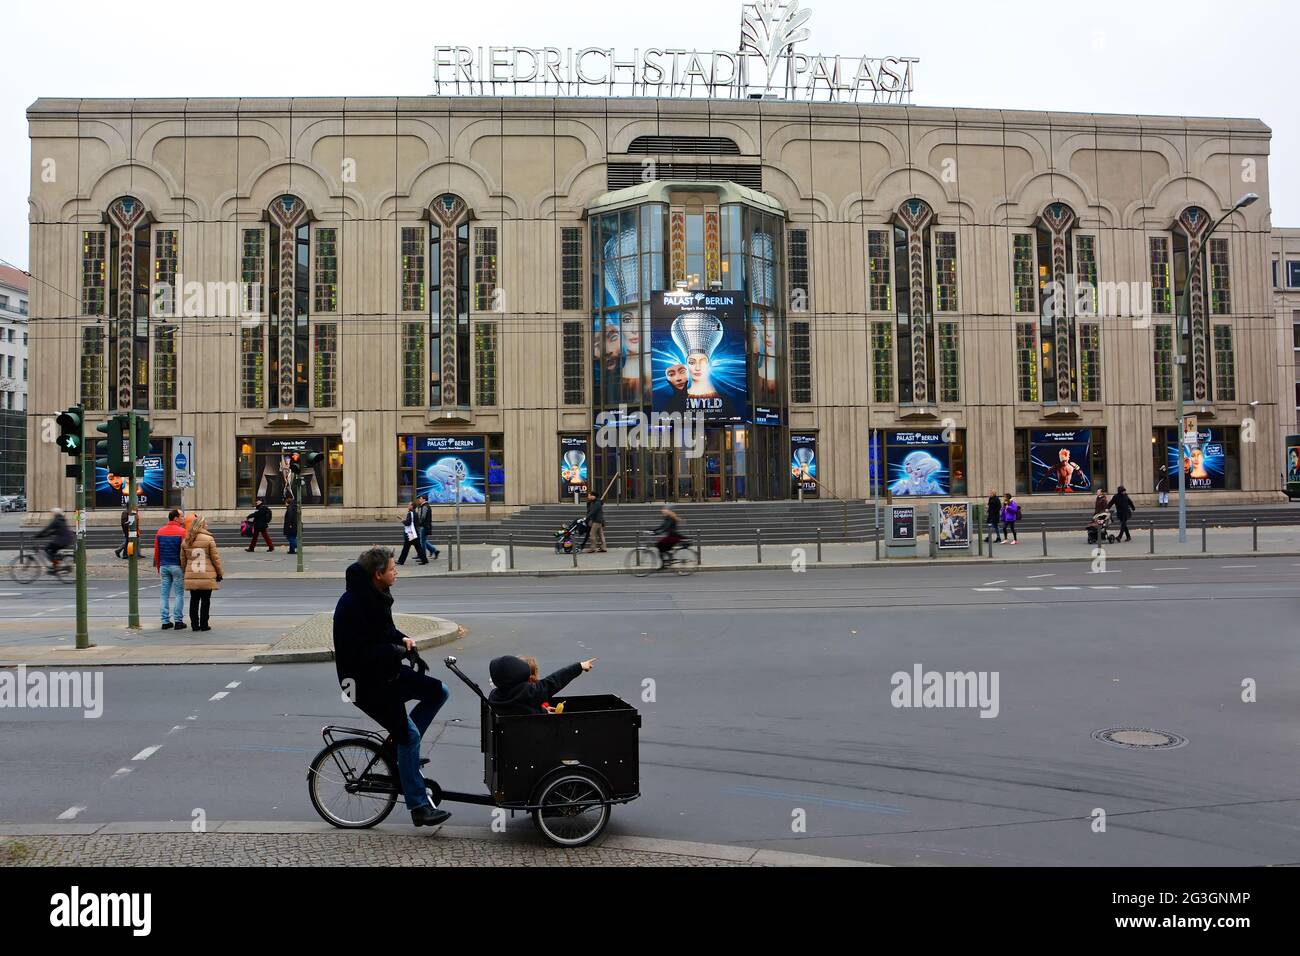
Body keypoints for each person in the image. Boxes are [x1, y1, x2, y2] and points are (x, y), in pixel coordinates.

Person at [333, 547, 452, 828]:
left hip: (386, 673)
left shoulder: (376, 596)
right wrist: (395, 650)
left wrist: (403, 639)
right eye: (392, 568)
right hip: (362, 682)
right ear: (378, 574)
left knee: (439, 692)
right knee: (408, 736)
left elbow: (385, 632)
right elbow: (360, 654)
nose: (396, 571)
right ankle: (419, 807)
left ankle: (402, 752)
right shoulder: (353, 604)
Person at [487, 654, 596, 717]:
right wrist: (579, 666)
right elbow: (553, 682)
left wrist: (544, 711)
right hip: (532, 739)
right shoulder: (526, 692)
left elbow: (522, 708)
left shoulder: (495, 696)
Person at [181, 515, 223, 632]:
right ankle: (204, 624)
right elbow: (216, 559)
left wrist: (185, 572)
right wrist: (219, 572)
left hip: (192, 573)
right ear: (202, 525)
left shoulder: (187, 540)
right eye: (206, 523)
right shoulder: (209, 539)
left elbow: (183, 560)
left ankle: (195, 624)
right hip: (206, 574)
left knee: (194, 600)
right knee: (206, 600)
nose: (207, 525)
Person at [153, 508, 187, 630]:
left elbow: (157, 551)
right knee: (179, 594)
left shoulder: (160, 531)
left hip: (164, 565)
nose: (183, 518)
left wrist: (159, 566)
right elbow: (184, 552)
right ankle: (178, 620)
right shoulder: (183, 532)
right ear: (176, 518)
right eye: (182, 516)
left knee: (164, 594)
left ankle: (165, 621)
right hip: (177, 566)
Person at [34, 507, 75, 572]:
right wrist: (42, 536)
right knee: (53, 552)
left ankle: (56, 564)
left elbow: (47, 529)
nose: (51, 514)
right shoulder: (61, 520)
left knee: (46, 549)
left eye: (52, 513)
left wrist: (36, 536)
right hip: (66, 540)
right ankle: (55, 566)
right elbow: (51, 532)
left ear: (55, 514)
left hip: (62, 540)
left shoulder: (56, 521)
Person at [396, 501, 425, 566]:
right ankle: (424, 560)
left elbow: (408, 523)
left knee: (406, 548)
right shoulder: (415, 513)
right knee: (417, 547)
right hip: (414, 533)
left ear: (412, 506)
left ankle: (401, 561)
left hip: (411, 533)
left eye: (409, 505)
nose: (408, 506)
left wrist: (402, 521)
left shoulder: (410, 513)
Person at [416, 494, 440, 561]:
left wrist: (419, 523)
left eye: (420, 499)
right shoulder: (424, 506)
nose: (419, 500)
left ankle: (423, 557)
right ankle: (434, 550)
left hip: (424, 526)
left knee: (422, 542)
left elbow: (423, 517)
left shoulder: (425, 506)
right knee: (423, 541)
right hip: (425, 526)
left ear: (424, 499)